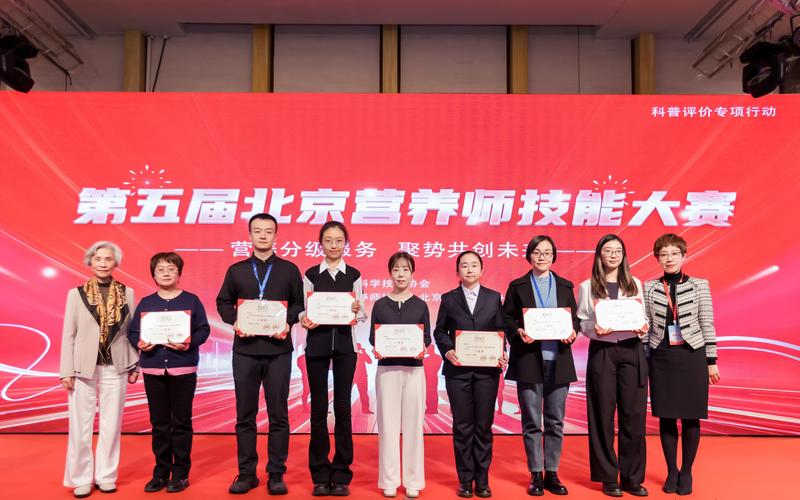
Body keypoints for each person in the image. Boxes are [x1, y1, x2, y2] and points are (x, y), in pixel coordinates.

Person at [216, 213, 304, 495]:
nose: (263, 235)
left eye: (268, 231)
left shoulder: (289, 270)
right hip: (245, 351)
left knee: (278, 415)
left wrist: (287, 322)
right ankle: (246, 473)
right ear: (250, 235)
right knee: (245, 415)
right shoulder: (237, 270)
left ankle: (276, 473)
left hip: (278, 351)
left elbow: (299, 303)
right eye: (257, 231)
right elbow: (223, 301)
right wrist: (235, 321)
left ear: (276, 235)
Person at [60, 241, 139, 498]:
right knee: (80, 426)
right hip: (82, 368)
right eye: (98, 259)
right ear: (90, 262)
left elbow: (132, 332)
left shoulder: (127, 292)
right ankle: (81, 478)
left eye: (108, 259)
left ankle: (106, 476)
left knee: (111, 424)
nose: (103, 263)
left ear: (116, 263)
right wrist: (66, 370)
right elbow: (69, 334)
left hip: (116, 366)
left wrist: (134, 363)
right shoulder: (76, 294)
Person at [643, 234, 720, 496]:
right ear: (657, 258)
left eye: (674, 253)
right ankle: (671, 471)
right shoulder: (649, 287)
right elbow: (646, 326)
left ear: (684, 256)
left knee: (690, 416)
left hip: (692, 355)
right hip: (661, 357)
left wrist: (711, 361)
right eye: (664, 254)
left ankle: (686, 471)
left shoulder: (700, 285)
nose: (669, 259)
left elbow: (707, 323)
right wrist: (644, 358)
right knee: (666, 416)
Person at [127, 252, 210, 493]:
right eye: (161, 269)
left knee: (181, 421)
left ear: (179, 273)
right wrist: (140, 343)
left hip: (183, 367)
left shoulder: (192, 300)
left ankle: (181, 473)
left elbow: (203, 330)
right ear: (153, 275)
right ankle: (161, 472)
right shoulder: (146, 303)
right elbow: (134, 332)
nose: (166, 273)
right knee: (159, 422)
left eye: (171, 269)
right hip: (153, 368)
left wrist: (188, 343)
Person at [503, 236, 578, 497]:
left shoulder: (565, 285)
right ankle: (536, 473)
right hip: (528, 360)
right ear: (529, 256)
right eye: (537, 252)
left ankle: (552, 473)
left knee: (555, 421)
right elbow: (506, 318)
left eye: (547, 252)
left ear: (554, 256)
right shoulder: (517, 286)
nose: (542, 256)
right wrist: (518, 331)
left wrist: (572, 332)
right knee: (532, 421)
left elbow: (574, 319)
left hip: (559, 360)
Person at [577, 234, 649, 497]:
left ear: (624, 255)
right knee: (602, 415)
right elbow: (583, 322)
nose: (614, 255)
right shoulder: (587, 286)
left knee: (634, 415)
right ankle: (608, 477)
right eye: (608, 250)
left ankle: (632, 478)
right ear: (599, 255)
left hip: (632, 350)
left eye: (618, 250)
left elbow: (643, 316)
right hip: (603, 351)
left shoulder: (635, 283)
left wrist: (644, 327)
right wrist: (594, 330)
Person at [434, 250, 507, 498]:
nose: (469, 269)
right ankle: (465, 480)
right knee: (463, 426)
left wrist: (502, 352)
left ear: (482, 270)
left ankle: (482, 480)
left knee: (483, 426)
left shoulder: (493, 298)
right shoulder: (448, 298)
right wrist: (448, 350)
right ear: (457, 271)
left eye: (474, 265)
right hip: (458, 372)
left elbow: (501, 330)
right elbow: (440, 331)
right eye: (464, 265)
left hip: (487, 372)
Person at [300, 221, 366, 496]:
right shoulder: (311, 274)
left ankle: (341, 473)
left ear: (345, 243)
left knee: (342, 408)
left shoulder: (354, 274)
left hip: (345, 348)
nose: (334, 245)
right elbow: (303, 309)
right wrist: (304, 318)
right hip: (316, 345)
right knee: (317, 409)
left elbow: (361, 313)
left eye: (339, 240)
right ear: (321, 244)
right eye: (328, 240)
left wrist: (357, 309)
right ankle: (319, 473)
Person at [369, 252, 431, 498]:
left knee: (414, 426)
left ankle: (413, 480)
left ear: (413, 273)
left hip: (414, 370)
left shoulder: (421, 305)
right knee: (388, 425)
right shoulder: (380, 304)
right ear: (390, 273)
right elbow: (374, 337)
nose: (401, 274)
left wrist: (420, 346)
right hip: (387, 370)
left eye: (405, 269)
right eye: (396, 269)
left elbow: (426, 337)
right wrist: (380, 345)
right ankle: (390, 480)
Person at [353, 343, 374, 414]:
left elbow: (370, 362)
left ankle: (366, 409)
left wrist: (364, 353)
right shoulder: (350, 356)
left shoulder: (361, 355)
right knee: (363, 394)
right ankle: (365, 410)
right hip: (353, 376)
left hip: (361, 376)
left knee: (364, 394)